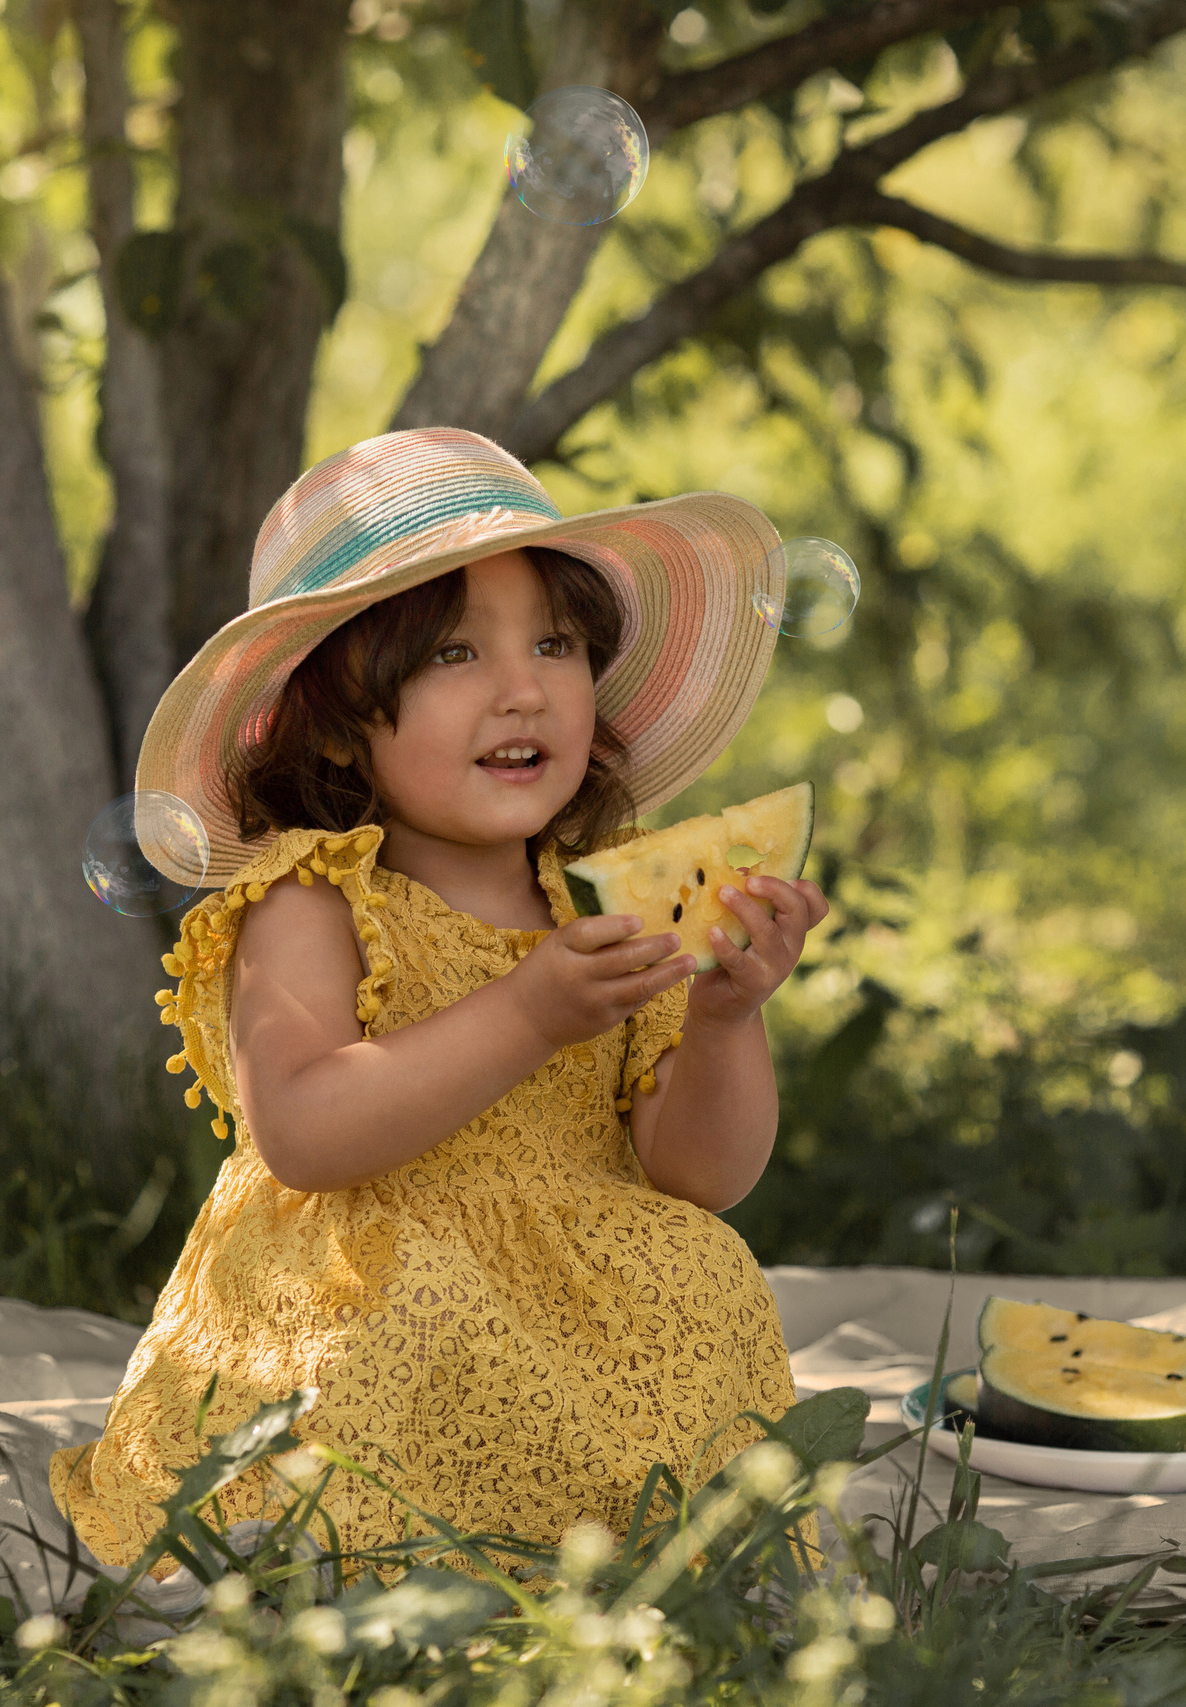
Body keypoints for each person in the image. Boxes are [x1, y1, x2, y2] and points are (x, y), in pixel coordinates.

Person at [47, 426, 829, 1572]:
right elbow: (307, 1131)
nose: (524, 691)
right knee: (411, 1329)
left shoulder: (600, 897)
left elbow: (700, 1176)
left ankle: (639, 1550)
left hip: (582, 1288)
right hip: (370, 1288)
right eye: (456, 657)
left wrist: (724, 1018)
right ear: (335, 717)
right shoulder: (310, 899)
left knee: (710, 1274)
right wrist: (528, 1014)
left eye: (555, 645)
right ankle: (396, 1566)